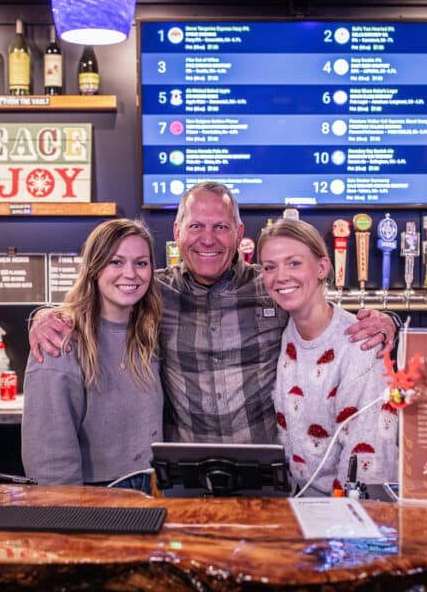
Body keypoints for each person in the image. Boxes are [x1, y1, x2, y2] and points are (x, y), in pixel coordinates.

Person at [29, 181, 398, 445]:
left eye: (220, 227)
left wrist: (386, 321)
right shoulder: (152, 291)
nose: (208, 238)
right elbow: (96, 301)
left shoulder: (271, 286)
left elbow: (324, 317)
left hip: (268, 471)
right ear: (177, 232)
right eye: (196, 226)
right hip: (183, 476)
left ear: (238, 234)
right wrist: (46, 316)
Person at [257, 219, 398, 495]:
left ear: (322, 268)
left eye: (294, 263)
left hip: (350, 511)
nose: (281, 276)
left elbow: (368, 461)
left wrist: (342, 527)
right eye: (270, 267)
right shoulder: (287, 330)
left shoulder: (361, 342)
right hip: (299, 502)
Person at [21, 219, 163, 492]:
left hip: (154, 488)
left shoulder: (149, 331)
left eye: (141, 263)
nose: (130, 274)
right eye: (116, 262)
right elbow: (48, 455)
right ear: (94, 268)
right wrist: (68, 514)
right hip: (96, 493)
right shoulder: (61, 338)